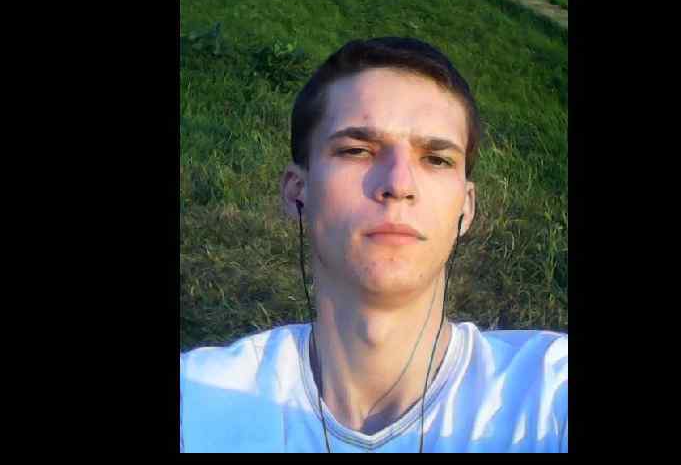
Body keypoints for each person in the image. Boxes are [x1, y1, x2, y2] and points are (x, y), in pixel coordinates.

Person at [180, 37, 568, 453]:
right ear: (297, 191)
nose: (398, 184)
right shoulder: (198, 403)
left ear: (466, 208)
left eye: (436, 159)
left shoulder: (547, 392)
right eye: (357, 150)